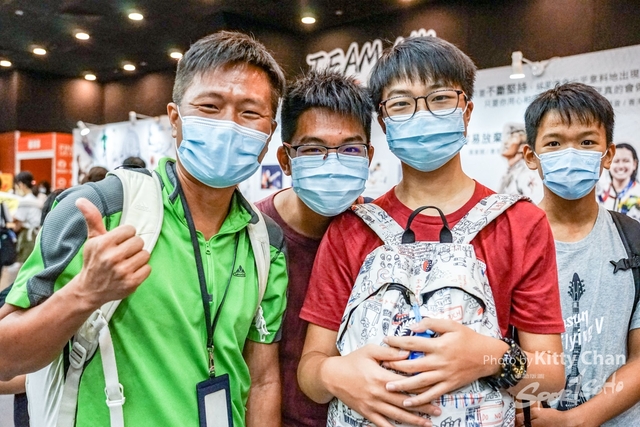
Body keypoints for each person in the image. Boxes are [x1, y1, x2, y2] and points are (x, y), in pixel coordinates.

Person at [0, 30, 288, 427]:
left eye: (250, 113)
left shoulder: (266, 242)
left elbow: (263, 379)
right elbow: (5, 358)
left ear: (268, 134)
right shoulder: (100, 208)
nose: (228, 124)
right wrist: (85, 293)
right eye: (210, 106)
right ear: (175, 119)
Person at [297, 36, 565, 427]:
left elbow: (549, 380)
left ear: (466, 111)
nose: (421, 114)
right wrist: (332, 374)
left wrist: (489, 358)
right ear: (384, 122)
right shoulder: (351, 228)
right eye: (401, 104)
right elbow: (310, 370)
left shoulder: (520, 224)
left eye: (440, 99)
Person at [517, 83, 640, 426]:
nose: (570, 154)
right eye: (554, 143)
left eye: (587, 142)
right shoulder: (508, 241)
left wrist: (577, 420)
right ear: (531, 156)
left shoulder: (634, 240)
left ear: (608, 154)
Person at [255, 69, 373, 427]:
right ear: (286, 160)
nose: (332, 162)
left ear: (368, 156)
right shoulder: (253, 234)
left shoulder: (383, 235)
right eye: (313, 149)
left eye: (350, 149)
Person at [498, 123, 544, 203]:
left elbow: (537, 205)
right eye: (508, 137)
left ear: (522, 147)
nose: (506, 142)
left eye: (513, 137)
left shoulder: (527, 174)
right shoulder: (511, 173)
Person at [598, 143, 640, 222]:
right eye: (616, 161)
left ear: (634, 164)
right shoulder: (599, 194)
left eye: (626, 161)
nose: (620, 166)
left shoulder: (638, 193)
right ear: (609, 163)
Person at [12, 171, 42, 264]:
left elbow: (17, 221)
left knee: (25, 262)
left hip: (28, 236)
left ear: (21, 184)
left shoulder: (25, 201)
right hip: (37, 234)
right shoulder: (34, 198)